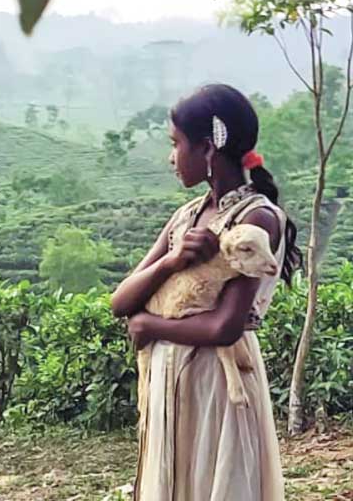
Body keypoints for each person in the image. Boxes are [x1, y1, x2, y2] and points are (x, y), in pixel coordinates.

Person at [110, 84, 302, 500]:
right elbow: (120, 302)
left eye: (176, 143)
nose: (171, 156)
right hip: (169, 378)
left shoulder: (256, 219)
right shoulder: (187, 216)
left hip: (217, 383)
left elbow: (224, 327)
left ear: (208, 150)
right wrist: (170, 261)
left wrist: (151, 324)